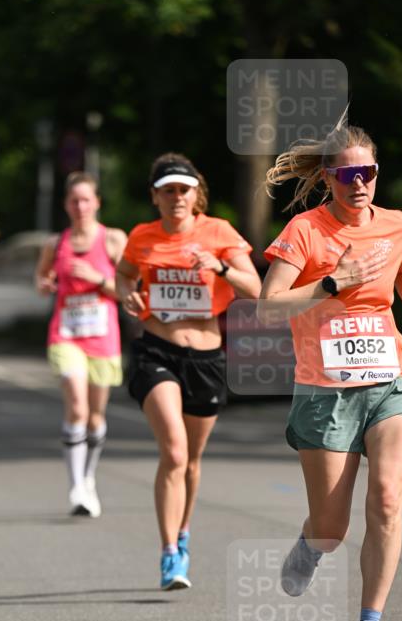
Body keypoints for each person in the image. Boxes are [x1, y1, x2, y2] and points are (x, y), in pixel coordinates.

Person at [258, 119, 402, 621]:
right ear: (329, 177)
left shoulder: (396, 224)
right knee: (332, 528)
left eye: (368, 172)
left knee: (390, 499)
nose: (360, 183)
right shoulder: (305, 231)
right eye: (348, 174)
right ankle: (310, 544)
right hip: (326, 390)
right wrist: (334, 280)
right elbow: (267, 305)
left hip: (391, 379)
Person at [116, 154, 260, 589]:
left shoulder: (219, 233)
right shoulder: (142, 237)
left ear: (196, 194)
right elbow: (123, 275)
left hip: (206, 359)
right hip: (157, 350)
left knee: (192, 462)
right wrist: (129, 297)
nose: (177, 197)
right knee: (174, 452)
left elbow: (254, 287)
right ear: (155, 196)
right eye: (168, 190)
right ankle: (168, 553)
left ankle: (183, 533)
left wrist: (219, 266)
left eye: (184, 189)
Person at [35, 172, 127, 517]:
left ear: (97, 202)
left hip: (103, 337)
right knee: (76, 406)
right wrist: (44, 284)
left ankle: (88, 477)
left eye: (86, 199)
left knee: (95, 416)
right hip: (66, 334)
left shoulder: (114, 240)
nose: (80, 206)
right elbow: (41, 278)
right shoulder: (55, 243)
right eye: (74, 200)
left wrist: (98, 278)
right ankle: (76, 486)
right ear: (66, 205)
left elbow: (129, 290)